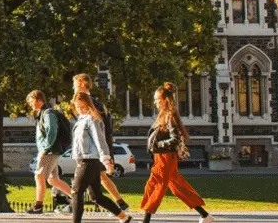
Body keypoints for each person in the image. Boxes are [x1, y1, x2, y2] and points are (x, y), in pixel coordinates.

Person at [141, 83, 212, 223]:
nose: (155, 102)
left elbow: (174, 139)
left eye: (157, 99)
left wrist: (158, 145)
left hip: (166, 157)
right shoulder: (163, 114)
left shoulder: (169, 115)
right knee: (177, 188)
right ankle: (205, 216)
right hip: (161, 157)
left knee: (156, 186)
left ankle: (145, 221)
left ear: (165, 99)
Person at [69, 92, 131, 223]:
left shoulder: (92, 119)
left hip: (89, 161)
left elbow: (100, 141)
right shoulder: (81, 120)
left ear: (88, 105)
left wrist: (107, 161)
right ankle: (123, 217)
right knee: (96, 196)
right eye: (78, 107)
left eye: (83, 107)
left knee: (76, 192)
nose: (80, 109)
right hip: (84, 160)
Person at [26, 90, 73, 215]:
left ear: (38, 99)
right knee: (53, 180)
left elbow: (52, 132)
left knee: (39, 176)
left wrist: (45, 149)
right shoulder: (43, 113)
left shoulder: (48, 114)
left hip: (50, 151)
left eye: (31, 101)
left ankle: (38, 206)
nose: (30, 104)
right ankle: (76, 198)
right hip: (51, 150)